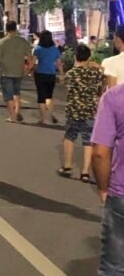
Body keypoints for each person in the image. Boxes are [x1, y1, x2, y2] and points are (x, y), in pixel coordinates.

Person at [91, 82, 124, 276]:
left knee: (115, 272)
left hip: (122, 198)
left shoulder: (115, 98)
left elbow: (101, 153)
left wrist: (103, 188)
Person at [58, 44, 105, 181]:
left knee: (69, 137)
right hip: (90, 110)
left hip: (74, 110)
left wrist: (61, 69)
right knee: (88, 141)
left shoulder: (72, 73)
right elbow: (103, 81)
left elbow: (63, 82)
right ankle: (85, 172)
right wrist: (97, 66)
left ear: (75, 57)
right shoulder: (95, 73)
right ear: (89, 57)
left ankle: (68, 166)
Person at [0, 21, 33, 122]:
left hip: (6, 71)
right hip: (19, 71)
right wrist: (29, 67)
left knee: (8, 96)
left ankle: (12, 116)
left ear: (6, 29)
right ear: (15, 29)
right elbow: (30, 56)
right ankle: (16, 112)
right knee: (17, 92)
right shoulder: (23, 41)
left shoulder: (3, 42)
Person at [32, 29, 63, 125]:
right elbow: (59, 63)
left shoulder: (38, 49)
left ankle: (44, 119)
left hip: (40, 73)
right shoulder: (55, 49)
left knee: (41, 97)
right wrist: (62, 74)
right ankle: (51, 114)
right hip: (51, 74)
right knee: (49, 96)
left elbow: (34, 62)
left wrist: (30, 70)